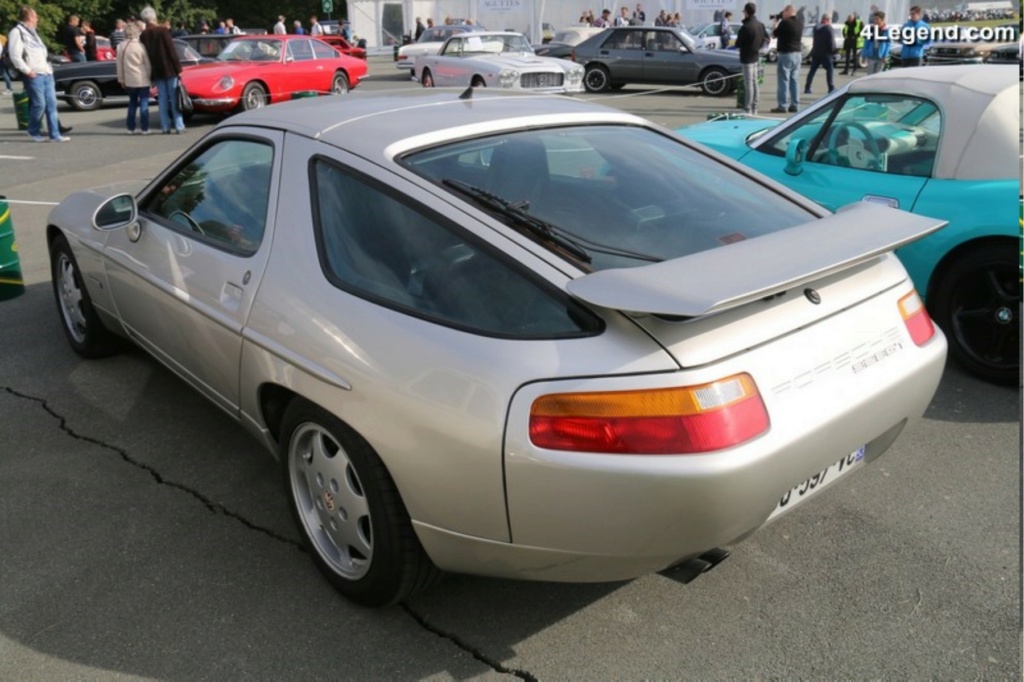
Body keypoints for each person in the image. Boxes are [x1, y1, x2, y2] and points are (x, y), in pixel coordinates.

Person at [8, 6, 69, 141]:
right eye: (35, 16)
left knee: (52, 105)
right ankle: (33, 129)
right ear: (29, 17)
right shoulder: (17, 32)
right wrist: (28, 71)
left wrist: (49, 68)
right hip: (34, 74)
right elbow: (15, 55)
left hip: (46, 73)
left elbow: (42, 52)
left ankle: (55, 134)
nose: (37, 19)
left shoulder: (34, 33)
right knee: (39, 104)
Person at [139, 5, 184, 134]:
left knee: (162, 99)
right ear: (154, 17)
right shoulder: (163, 31)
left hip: (156, 70)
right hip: (169, 68)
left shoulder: (143, 35)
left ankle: (165, 126)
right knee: (174, 97)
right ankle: (179, 125)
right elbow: (171, 50)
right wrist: (178, 67)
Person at [116, 21, 150, 134]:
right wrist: (150, 77)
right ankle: (144, 128)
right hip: (143, 78)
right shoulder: (141, 46)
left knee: (132, 103)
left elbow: (119, 65)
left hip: (129, 79)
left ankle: (130, 128)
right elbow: (147, 64)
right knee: (144, 103)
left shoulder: (120, 46)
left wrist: (121, 79)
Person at [735, 2, 768, 115]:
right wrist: (759, 47)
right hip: (755, 55)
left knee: (748, 83)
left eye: (744, 11)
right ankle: (755, 106)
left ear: (746, 12)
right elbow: (766, 38)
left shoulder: (746, 27)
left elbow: (738, 43)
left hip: (747, 57)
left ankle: (748, 108)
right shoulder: (760, 24)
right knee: (754, 82)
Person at [770, 5, 803, 113]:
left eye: (784, 11)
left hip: (786, 54)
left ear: (789, 11)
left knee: (784, 80)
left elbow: (774, 35)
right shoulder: (800, 22)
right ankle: (795, 104)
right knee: (794, 80)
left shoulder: (785, 23)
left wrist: (775, 22)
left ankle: (782, 105)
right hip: (797, 54)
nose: (782, 14)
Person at [803, 15, 835, 94]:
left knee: (812, 71)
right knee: (830, 70)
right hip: (826, 53)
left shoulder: (816, 28)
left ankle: (807, 87)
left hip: (816, 52)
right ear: (828, 19)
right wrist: (832, 51)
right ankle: (831, 88)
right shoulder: (829, 28)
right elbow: (831, 42)